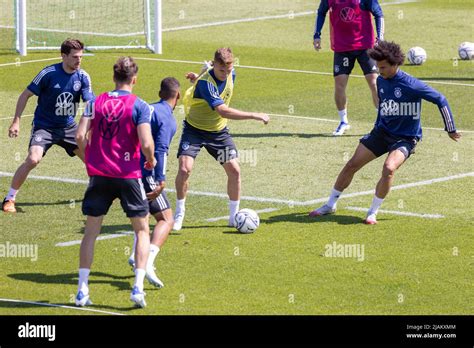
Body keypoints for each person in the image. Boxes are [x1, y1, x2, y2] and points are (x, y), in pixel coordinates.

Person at [309, 41, 461, 224]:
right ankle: (330, 204)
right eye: (378, 67)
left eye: (383, 67)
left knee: (389, 168)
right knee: (351, 164)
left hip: (405, 138)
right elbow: (383, 107)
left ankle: (372, 212)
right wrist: (377, 126)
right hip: (381, 133)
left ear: (395, 64)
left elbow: (440, 99)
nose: (379, 71)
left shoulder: (412, 84)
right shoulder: (381, 80)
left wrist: (450, 128)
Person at [74, 57, 155, 308]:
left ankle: (82, 291)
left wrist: (91, 159)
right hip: (128, 175)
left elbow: (79, 135)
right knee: (142, 230)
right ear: (134, 79)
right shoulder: (140, 105)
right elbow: (146, 142)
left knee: (90, 233)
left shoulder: (94, 102)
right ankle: (138, 289)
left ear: (113, 77)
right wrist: (150, 160)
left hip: (99, 175)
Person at [173, 47, 269, 231]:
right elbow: (223, 110)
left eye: (229, 70)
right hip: (194, 130)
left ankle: (234, 218)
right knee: (185, 169)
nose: (225, 74)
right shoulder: (206, 83)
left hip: (218, 132)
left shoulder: (231, 74)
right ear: (214, 65)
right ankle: (179, 213)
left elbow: (214, 77)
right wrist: (255, 115)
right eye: (221, 70)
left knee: (234, 171)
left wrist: (198, 74)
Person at [2, 38, 94, 213]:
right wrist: (16, 121)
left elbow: (90, 101)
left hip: (68, 128)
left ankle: (99, 193)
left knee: (93, 160)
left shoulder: (83, 76)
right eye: (75, 57)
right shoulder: (48, 73)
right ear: (64, 56)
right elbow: (25, 95)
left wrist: (92, 123)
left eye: (81, 57)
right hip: (44, 127)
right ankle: (9, 199)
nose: (79, 60)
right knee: (33, 159)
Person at [127, 77, 181, 289]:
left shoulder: (144, 109)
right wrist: (161, 179)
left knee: (144, 215)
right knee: (166, 219)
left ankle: (134, 254)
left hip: (125, 170)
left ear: (160, 94)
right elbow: (160, 150)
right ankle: (148, 260)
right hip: (145, 173)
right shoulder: (167, 118)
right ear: (177, 96)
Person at [313, 0, 384, 136]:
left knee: (374, 83)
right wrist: (317, 34)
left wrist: (380, 38)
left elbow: (378, 14)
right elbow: (321, 12)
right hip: (342, 48)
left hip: (365, 47)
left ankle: (382, 122)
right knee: (339, 85)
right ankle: (343, 121)